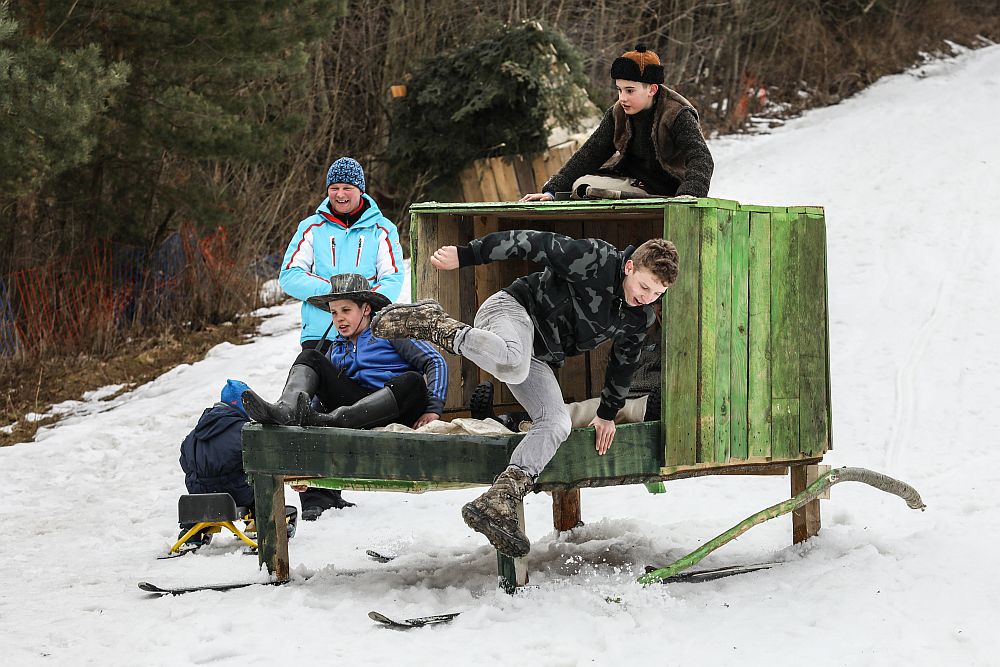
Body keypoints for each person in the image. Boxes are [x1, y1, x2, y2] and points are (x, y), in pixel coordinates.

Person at [371, 232, 679, 557]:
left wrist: (606, 414)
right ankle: (433, 323)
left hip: (536, 354)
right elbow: (530, 242)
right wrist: (466, 254)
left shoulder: (638, 316)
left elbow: (623, 361)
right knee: (512, 362)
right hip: (511, 311)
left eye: (657, 293)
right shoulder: (596, 259)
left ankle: (502, 497)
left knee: (557, 422)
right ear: (630, 267)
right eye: (644, 287)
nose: (647, 298)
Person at [241, 273, 448, 520]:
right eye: (333, 313)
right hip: (352, 414)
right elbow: (316, 400)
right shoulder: (336, 349)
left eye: (346, 310)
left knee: (411, 380)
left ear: (367, 309)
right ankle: (286, 412)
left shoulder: (391, 332)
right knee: (311, 356)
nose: (339, 319)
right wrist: (302, 451)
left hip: (397, 405)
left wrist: (433, 409)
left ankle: (332, 420)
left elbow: (435, 360)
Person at [278, 156, 405, 511]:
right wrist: (334, 296)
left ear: (360, 190)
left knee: (345, 406)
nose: (340, 194)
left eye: (347, 188)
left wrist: (362, 304)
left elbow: (392, 278)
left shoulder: (381, 230)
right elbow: (289, 275)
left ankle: (336, 484)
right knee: (310, 404)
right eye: (334, 188)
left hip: (361, 333)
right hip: (320, 332)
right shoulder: (312, 228)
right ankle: (315, 494)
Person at [521, 44, 713, 202]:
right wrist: (551, 192)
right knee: (581, 184)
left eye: (630, 91)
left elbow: (701, 157)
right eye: (619, 90)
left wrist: (690, 194)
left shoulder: (677, 113)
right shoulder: (617, 113)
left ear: (652, 89)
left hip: (667, 190)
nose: (622, 98)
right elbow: (590, 153)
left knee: (586, 188)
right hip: (630, 182)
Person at [470, 300, 663, 431]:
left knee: (638, 410)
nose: (659, 310)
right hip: (620, 399)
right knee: (566, 413)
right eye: (656, 305)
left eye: (662, 304)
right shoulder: (640, 333)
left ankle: (654, 410)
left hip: (648, 402)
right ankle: (500, 423)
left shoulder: (678, 337)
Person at [176, 379, 256, 545]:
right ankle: (261, 523)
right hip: (236, 497)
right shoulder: (245, 431)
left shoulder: (194, 434)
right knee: (261, 483)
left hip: (199, 499)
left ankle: (192, 532)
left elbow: (185, 464)